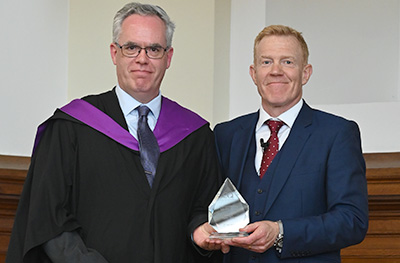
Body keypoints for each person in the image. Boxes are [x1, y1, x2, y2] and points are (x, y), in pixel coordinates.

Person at [6, 2, 223, 262]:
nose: (142, 59)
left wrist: (199, 233)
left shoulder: (195, 135)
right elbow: (48, 215)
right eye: (131, 47)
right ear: (114, 53)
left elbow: (201, 209)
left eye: (154, 49)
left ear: (168, 57)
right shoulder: (71, 127)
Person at [212, 25, 369, 262]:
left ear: (305, 73)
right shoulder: (225, 135)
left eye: (287, 62)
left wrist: (281, 232)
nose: (276, 71)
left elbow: (352, 220)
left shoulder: (337, 133)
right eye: (266, 62)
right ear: (253, 73)